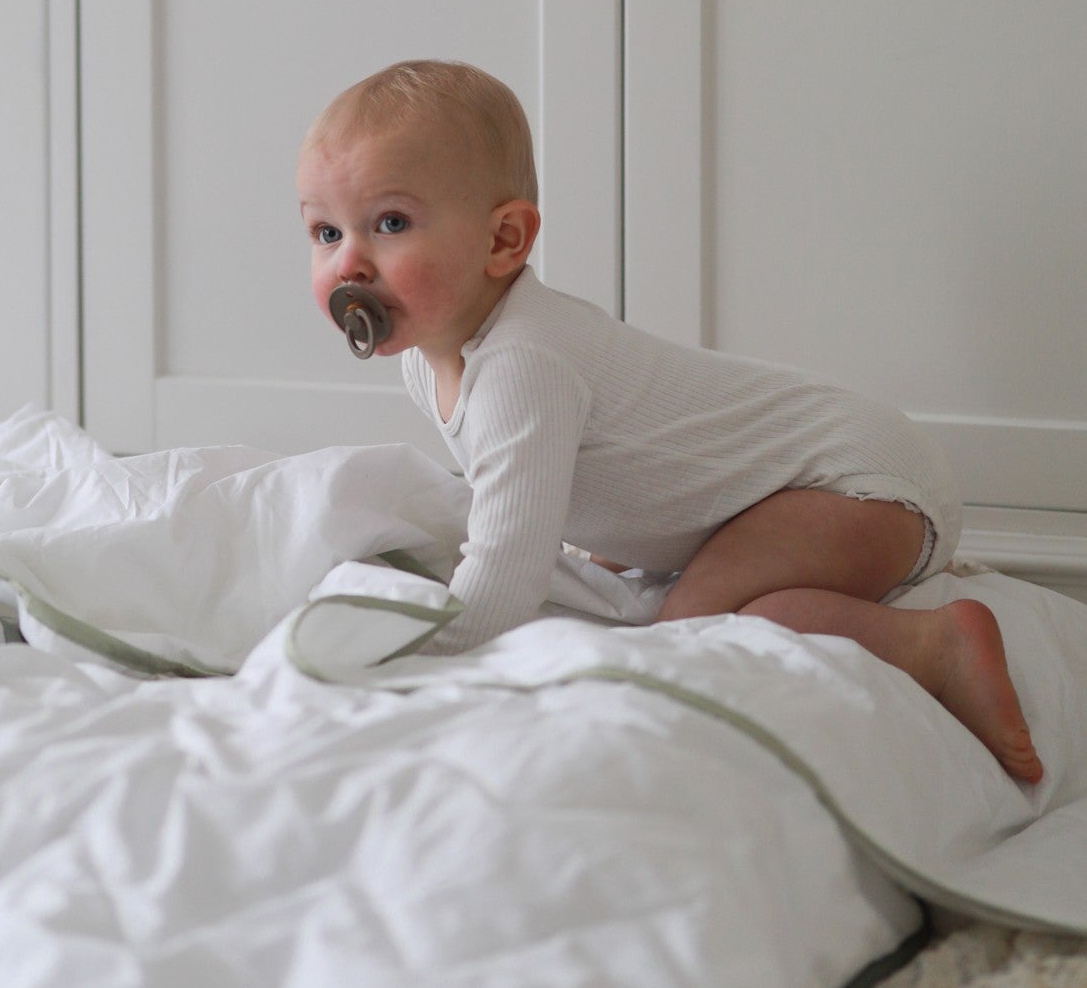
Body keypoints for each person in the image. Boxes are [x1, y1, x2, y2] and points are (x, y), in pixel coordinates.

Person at [296, 59, 1043, 783]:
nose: (348, 264)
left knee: (687, 628)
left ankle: (936, 646)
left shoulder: (525, 363)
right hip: (795, 486)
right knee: (708, 601)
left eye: (390, 223)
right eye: (326, 233)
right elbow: (570, 476)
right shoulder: (425, 360)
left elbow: (505, 573)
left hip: (859, 480)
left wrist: (417, 665)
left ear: (504, 241)